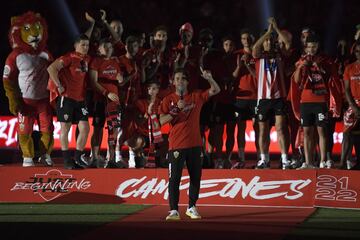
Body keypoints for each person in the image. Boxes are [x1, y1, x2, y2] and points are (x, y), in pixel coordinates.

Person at [159, 68, 220, 220]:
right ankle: (173, 210)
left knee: (195, 177)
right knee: (174, 179)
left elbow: (216, 89)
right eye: (177, 78)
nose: (180, 81)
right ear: (173, 82)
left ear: (187, 82)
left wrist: (209, 77)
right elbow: (160, 121)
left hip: (195, 144)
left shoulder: (196, 96)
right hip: (176, 145)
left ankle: (192, 207)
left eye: (183, 78)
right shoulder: (168, 99)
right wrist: (175, 110)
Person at [291, 34, 342, 169]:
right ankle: (308, 163)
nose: (312, 49)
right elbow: (296, 80)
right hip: (305, 101)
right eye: (309, 47)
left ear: (318, 46)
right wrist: (301, 66)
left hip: (320, 101)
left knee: (322, 131)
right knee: (307, 132)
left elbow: (328, 77)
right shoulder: (301, 60)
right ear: (306, 47)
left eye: (314, 47)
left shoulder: (324, 60)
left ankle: (323, 161)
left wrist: (318, 66)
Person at [47, 34, 91, 169]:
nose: (85, 47)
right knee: (65, 128)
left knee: (85, 128)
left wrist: (93, 23)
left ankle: (77, 158)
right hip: (66, 99)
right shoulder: (68, 58)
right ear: (75, 45)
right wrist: (59, 85)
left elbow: (86, 36)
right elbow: (51, 68)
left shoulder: (86, 59)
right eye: (83, 45)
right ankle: (67, 160)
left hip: (80, 100)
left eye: (87, 45)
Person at [252, 17, 291, 169]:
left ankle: (285, 159)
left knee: (281, 128)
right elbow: (255, 47)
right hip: (263, 99)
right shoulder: (258, 56)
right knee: (263, 129)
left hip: (279, 97)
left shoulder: (280, 55)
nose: (268, 42)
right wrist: (268, 32)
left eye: (271, 40)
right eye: (266, 40)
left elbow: (287, 43)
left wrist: (275, 28)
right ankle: (264, 159)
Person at [89, 38, 127, 167]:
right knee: (98, 129)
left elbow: (120, 81)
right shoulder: (96, 62)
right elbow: (93, 82)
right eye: (105, 46)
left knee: (113, 130)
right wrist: (106, 93)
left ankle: (111, 159)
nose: (108, 49)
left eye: (110, 47)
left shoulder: (115, 62)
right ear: (99, 48)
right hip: (100, 101)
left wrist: (121, 80)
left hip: (114, 104)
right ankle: (94, 157)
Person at [342, 40, 360, 170]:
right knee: (347, 133)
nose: (359, 53)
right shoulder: (349, 68)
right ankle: (343, 163)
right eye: (357, 51)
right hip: (353, 104)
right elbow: (347, 90)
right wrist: (353, 106)